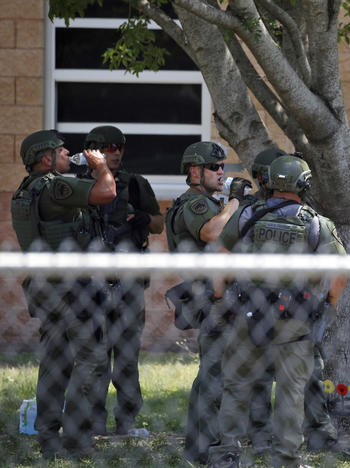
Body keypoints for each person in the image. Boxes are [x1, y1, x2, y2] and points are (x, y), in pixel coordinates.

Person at [211, 154, 346, 468]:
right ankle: (285, 459)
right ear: (303, 184)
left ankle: (227, 453)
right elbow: (341, 270)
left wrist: (219, 298)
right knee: (291, 389)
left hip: (247, 310)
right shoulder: (315, 222)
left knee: (236, 385)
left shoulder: (246, 214)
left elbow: (220, 256)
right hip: (295, 317)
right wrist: (329, 304)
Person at [11, 129, 116, 458]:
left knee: (54, 363)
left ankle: (48, 437)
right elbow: (106, 192)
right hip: (74, 290)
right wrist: (100, 166)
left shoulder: (25, 192)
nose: (67, 152)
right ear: (46, 159)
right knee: (89, 361)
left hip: (47, 287)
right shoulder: (55, 185)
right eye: (60, 150)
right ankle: (77, 438)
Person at [79, 125, 164, 436]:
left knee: (126, 358)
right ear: (92, 150)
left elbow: (158, 224)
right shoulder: (76, 186)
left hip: (128, 283)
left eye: (120, 147)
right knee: (94, 358)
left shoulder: (136, 184)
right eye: (108, 147)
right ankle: (94, 424)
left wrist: (144, 219)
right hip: (91, 284)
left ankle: (126, 423)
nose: (115, 152)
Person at [165, 141, 239, 464]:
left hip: (212, 295)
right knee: (216, 376)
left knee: (209, 374)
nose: (221, 172)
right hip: (210, 297)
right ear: (195, 171)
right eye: (213, 167)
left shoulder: (207, 201)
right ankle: (210, 449)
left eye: (222, 166)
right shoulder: (195, 204)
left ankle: (198, 448)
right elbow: (211, 232)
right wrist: (236, 202)